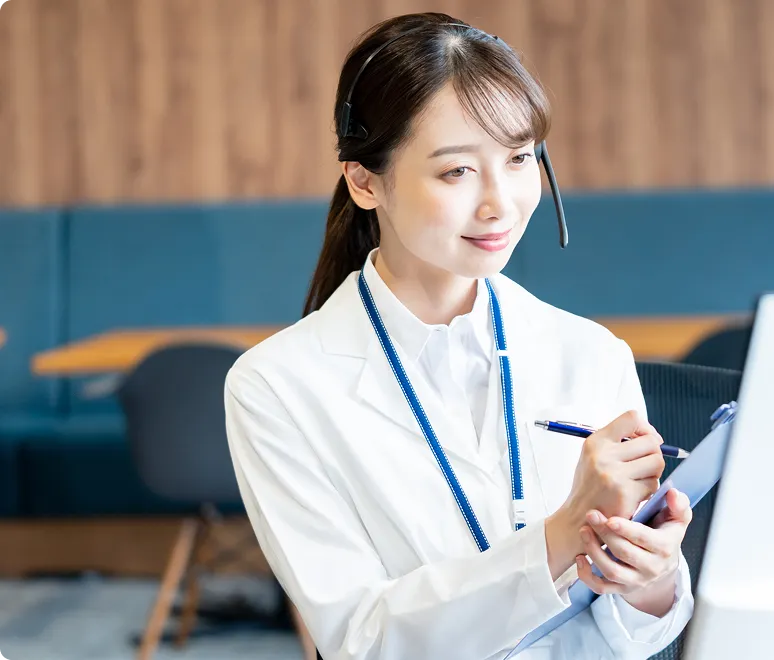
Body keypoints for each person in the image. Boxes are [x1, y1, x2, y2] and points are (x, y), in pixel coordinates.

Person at [223, 12, 694, 660]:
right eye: (456, 172)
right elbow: (363, 639)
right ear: (365, 181)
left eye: (519, 158)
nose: (500, 202)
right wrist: (560, 536)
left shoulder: (592, 354)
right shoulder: (275, 388)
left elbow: (639, 629)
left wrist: (653, 580)